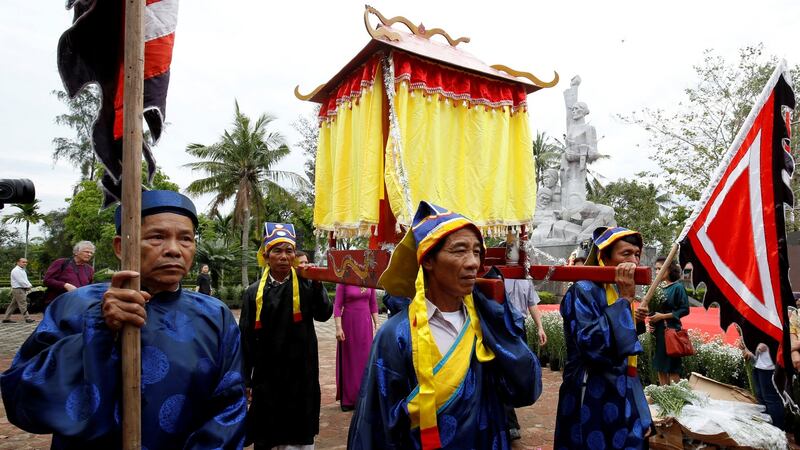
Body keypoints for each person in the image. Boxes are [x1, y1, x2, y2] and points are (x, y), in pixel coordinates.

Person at [1, 190, 247, 449]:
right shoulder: (76, 306)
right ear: (121, 246)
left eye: (185, 239)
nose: (174, 250)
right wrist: (99, 330)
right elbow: (22, 399)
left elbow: (230, 406)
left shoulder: (215, 315)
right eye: (157, 237)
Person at [348, 201, 541, 449]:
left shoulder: (486, 326)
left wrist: (501, 326)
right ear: (428, 260)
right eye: (459, 250)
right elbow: (376, 423)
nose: (473, 262)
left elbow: (525, 389)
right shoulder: (396, 335)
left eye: (476, 252)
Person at [554, 226, 652, 449]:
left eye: (637, 254)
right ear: (604, 257)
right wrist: (625, 302)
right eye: (625, 254)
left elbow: (627, 351)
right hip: (589, 389)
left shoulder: (618, 289)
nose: (634, 262)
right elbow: (593, 345)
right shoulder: (582, 290)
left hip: (622, 386)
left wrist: (633, 318)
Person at [240, 222, 333, 449]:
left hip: (301, 373)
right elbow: (246, 338)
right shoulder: (253, 292)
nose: (283, 256)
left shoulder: (306, 284)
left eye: (288, 250)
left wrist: (318, 284)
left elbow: (323, 315)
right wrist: (246, 380)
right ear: (266, 256)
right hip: (267, 375)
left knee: (299, 434)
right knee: (268, 433)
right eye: (277, 250)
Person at [503, 277, 548, 440]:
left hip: (520, 329)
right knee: (504, 374)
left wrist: (540, 327)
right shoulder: (499, 275)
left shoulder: (526, 280)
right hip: (503, 328)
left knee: (520, 374)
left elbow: (532, 304)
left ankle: (510, 414)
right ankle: (510, 423)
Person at [334, 283, 378, 411]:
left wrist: (377, 324)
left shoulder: (369, 280)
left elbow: (373, 304)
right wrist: (338, 328)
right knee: (350, 361)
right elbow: (337, 306)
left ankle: (364, 397)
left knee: (365, 361)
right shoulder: (344, 280)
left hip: (365, 325)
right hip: (349, 324)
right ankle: (349, 399)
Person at [649, 262, 690, 386]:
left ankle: (675, 396)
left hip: (671, 332)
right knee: (660, 366)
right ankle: (663, 396)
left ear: (670, 270)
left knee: (672, 366)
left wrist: (662, 316)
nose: (657, 272)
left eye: (660, 269)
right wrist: (651, 323)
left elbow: (685, 309)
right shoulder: (658, 288)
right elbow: (653, 310)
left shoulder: (677, 287)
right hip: (658, 332)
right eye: (655, 269)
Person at [742, 342, 785, 429]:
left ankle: (778, 431)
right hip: (758, 364)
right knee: (760, 397)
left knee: (771, 400)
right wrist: (745, 345)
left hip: (770, 366)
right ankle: (768, 428)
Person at [43, 240, 96, 306]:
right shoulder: (61, 263)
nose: (89, 254)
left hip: (78, 305)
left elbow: (89, 286)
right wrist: (65, 285)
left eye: (91, 253)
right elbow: (47, 280)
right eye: (86, 252)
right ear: (76, 252)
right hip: (57, 304)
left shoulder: (90, 269)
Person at [5, 257, 34, 324]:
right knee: (23, 304)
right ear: (18, 262)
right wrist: (28, 286)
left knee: (13, 305)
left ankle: (6, 318)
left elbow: (25, 280)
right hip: (18, 289)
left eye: (26, 262)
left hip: (20, 289)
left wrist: (29, 285)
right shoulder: (16, 270)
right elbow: (20, 281)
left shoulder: (22, 270)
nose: (25, 263)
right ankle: (27, 318)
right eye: (23, 262)